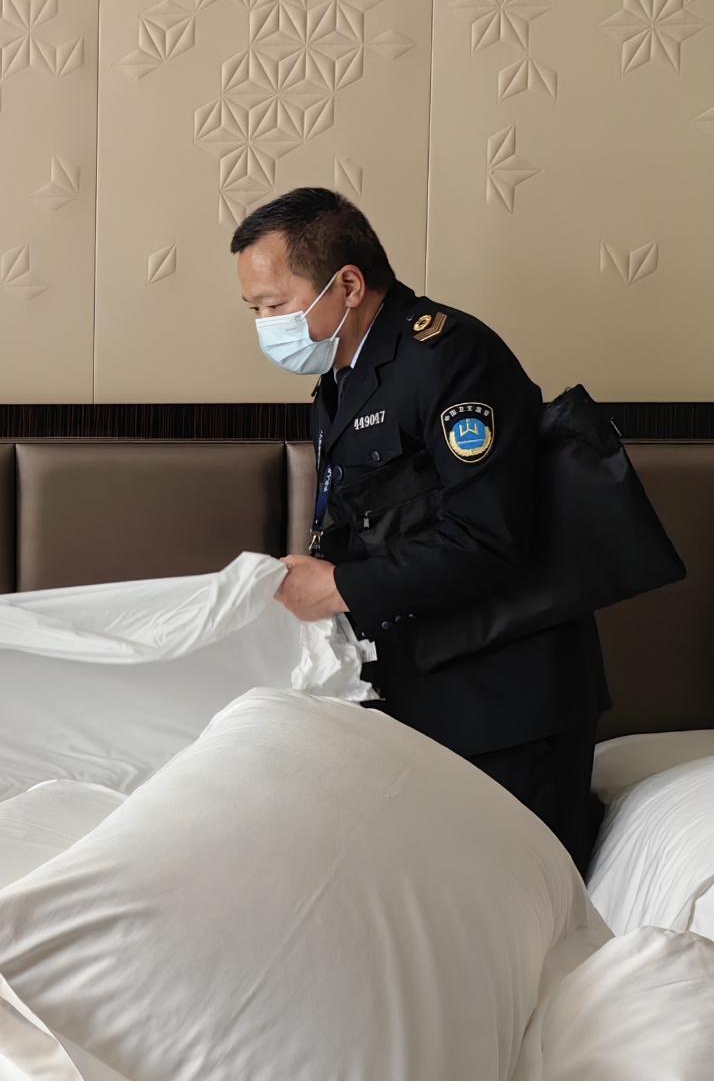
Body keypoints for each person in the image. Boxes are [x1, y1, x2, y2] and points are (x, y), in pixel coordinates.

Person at [231, 187, 608, 864]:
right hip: (418, 687)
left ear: (348, 286)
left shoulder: (451, 357)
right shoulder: (342, 378)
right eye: (254, 310)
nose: (265, 325)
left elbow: (489, 537)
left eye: (275, 305)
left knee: (522, 901)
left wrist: (340, 586)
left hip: (506, 703)